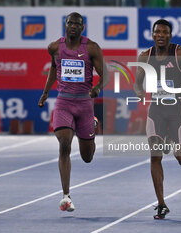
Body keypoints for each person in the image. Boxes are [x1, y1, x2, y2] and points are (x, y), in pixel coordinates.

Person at [38, 12, 108, 212]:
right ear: (65, 25)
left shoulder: (92, 48)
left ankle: (91, 125)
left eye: (77, 24)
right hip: (64, 103)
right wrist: (45, 93)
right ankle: (66, 196)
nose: (73, 26)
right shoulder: (54, 47)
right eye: (70, 23)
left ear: (82, 27)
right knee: (64, 144)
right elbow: (54, 68)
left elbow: (106, 76)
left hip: (85, 104)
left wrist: (96, 89)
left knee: (87, 157)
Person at [135, 19, 181, 219]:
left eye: (164, 32)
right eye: (157, 32)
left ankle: (170, 138)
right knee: (155, 156)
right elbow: (137, 83)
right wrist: (138, 92)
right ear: (152, 35)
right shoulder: (145, 56)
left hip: (177, 111)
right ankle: (161, 204)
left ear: (170, 35)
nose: (160, 35)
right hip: (156, 111)